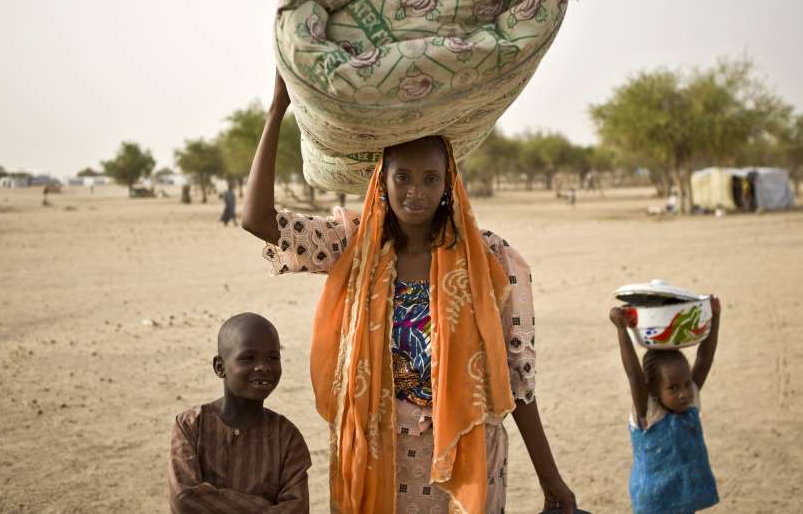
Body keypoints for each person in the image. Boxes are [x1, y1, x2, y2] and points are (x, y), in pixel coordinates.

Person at [242, 71, 578, 514]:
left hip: (467, 455)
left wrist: (551, 480)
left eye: (429, 179)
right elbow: (258, 220)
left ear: (448, 184)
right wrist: (276, 110)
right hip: (382, 455)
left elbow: (516, 379)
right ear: (382, 180)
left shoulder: (492, 259)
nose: (415, 192)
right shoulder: (353, 245)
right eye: (403, 178)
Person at [169, 312, 311, 513]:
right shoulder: (191, 426)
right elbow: (184, 499)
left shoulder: (287, 437)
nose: (263, 366)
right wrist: (266, 506)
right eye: (248, 358)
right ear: (220, 367)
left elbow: (297, 509)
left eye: (273, 357)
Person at [609, 297, 722, 513]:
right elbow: (634, 375)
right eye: (673, 388)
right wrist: (621, 329)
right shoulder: (648, 413)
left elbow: (705, 358)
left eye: (687, 384)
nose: (684, 394)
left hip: (685, 498)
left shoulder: (690, 403)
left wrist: (715, 316)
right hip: (654, 504)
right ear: (652, 389)